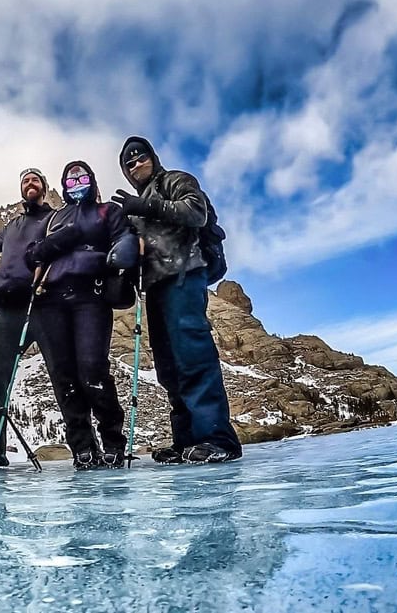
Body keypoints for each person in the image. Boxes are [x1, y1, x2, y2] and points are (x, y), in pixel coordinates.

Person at [111, 136, 243, 463]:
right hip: (155, 289)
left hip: (184, 276)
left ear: (153, 158)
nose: (136, 164)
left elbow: (194, 212)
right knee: (169, 368)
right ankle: (186, 440)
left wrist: (144, 206)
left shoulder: (175, 181)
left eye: (140, 157)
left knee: (193, 356)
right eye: (129, 162)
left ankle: (218, 438)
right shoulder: (136, 204)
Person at [27, 161, 138, 470]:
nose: (76, 180)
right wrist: (55, 242)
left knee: (92, 368)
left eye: (82, 175)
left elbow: (123, 239)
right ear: (63, 184)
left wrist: (119, 255)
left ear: (92, 179)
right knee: (64, 376)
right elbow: (31, 255)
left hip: (92, 296)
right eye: (70, 176)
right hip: (51, 300)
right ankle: (82, 446)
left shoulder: (107, 212)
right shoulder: (53, 219)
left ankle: (113, 441)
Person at [0, 169, 54, 468]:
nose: (30, 184)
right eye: (25, 181)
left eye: (35, 180)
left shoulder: (55, 219)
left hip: (46, 306)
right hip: (8, 309)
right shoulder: (12, 226)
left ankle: (85, 448)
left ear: (44, 187)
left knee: (63, 375)